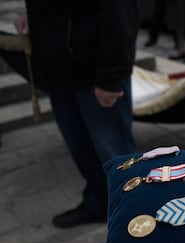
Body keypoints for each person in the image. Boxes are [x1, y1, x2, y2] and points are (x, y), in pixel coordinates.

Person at [14, 1, 140, 228]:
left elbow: (120, 11)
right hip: (59, 69)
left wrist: (111, 76)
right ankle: (99, 203)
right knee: (81, 148)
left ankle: (138, 216)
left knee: (116, 153)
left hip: (95, 70)